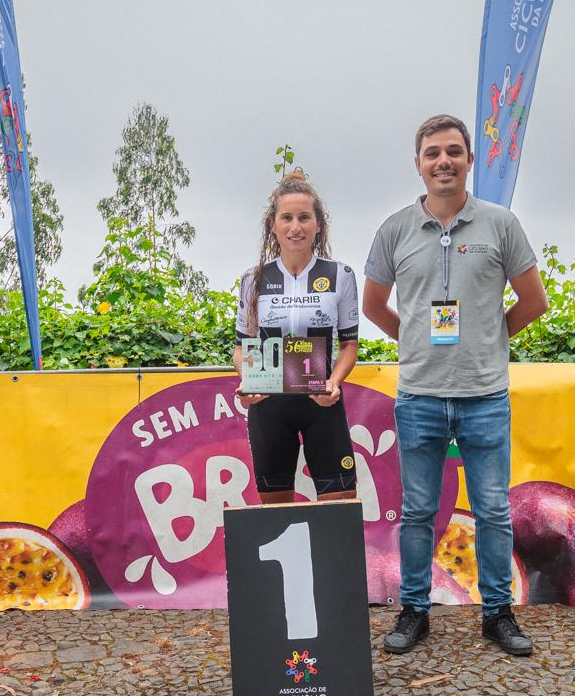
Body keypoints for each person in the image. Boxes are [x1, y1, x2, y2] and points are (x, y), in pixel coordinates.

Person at [362, 113, 549, 657]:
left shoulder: (501, 224)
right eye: (432, 154)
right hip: (419, 396)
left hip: (484, 396)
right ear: (418, 165)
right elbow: (374, 304)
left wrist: (491, 340)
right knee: (419, 512)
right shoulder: (395, 230)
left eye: (453, 152)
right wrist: (413, 339)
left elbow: (534, 300)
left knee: (492, 510)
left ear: (470, 159)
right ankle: (414, 610)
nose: (443, 162)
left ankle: (498, 614)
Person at [233, 170, 361, 505]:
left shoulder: (340, 275)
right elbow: (241, 347)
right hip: (269, 404)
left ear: (318, 223)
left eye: (304, 217)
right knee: (276, 512)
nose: (295, 227)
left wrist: (334, 382)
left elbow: (349, 345)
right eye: (286, 218)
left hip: (323, 401)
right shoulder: (253, 279)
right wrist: (248, 378)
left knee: (340, 506)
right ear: (272, 225)